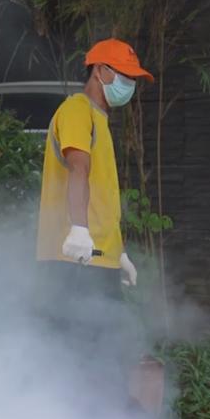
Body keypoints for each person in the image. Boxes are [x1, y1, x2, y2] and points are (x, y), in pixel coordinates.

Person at [36, 38, 154, 299]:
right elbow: (78, 170)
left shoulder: (99, 120)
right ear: (100, 70)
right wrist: (79, 229)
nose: (130, 84)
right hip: (74, 258)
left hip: (97, 257)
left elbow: (103, 199)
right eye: (126, 75)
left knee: (105, 326)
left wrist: (117, 253)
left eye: (133, 78)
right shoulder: (77, 110)